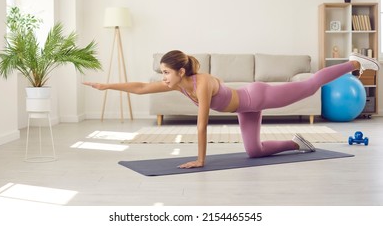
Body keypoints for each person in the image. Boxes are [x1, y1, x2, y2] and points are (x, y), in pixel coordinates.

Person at [83, 50, 380, 169]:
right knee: (254, 152)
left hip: (257, 95)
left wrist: (200, 159)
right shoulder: (179, 84)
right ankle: (296, 144)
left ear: (181, 70)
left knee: (311, 85)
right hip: (245, 109)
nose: (162, 78)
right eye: (161, 73)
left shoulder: (200, 83)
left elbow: (202, 125)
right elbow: (141, 87)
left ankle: (354, 63)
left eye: (165, 72)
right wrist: (107, 86)